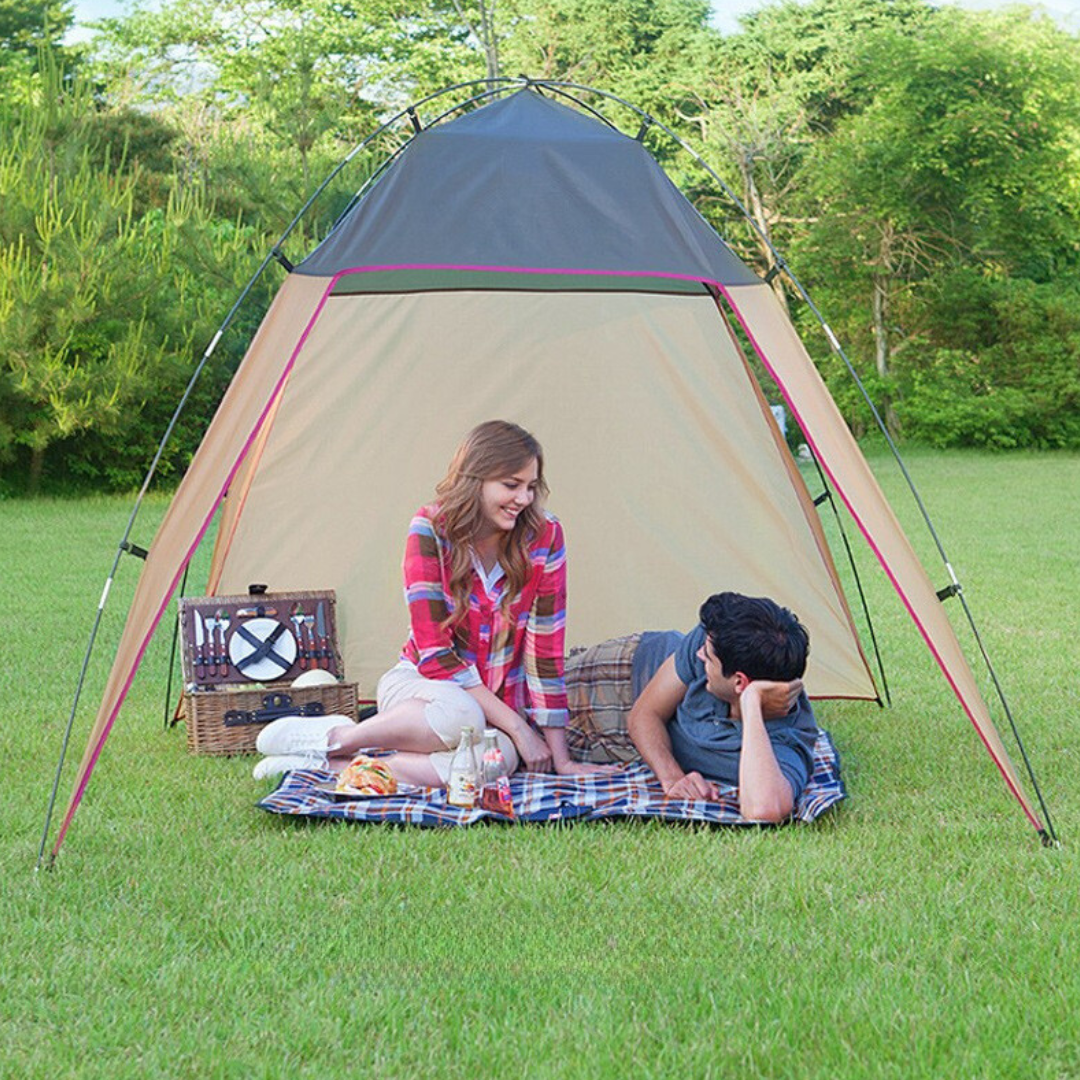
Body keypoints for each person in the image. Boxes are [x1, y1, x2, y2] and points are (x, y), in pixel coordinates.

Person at [255, 420, 615, 786]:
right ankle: (334, 739)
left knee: (496, 763)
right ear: (475, 479)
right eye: (511, 485)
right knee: (463, 715)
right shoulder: (430, 529)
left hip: (495, 710)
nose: (523, 499)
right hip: (421, 687)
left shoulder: (546, 536)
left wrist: (562, 759)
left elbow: (544, 653)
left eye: (531, 487)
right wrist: (520, 728)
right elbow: (436, 655)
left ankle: (328, 767)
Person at [627, 592, 817, 822]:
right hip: (626, 670)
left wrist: (751, 701)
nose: (699, 654)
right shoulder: (714, 641)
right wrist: (673, 778)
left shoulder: (787, 737)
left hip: (625, 736)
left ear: (739, 682)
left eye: (707, 656)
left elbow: (763, 810)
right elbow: (645, 714)